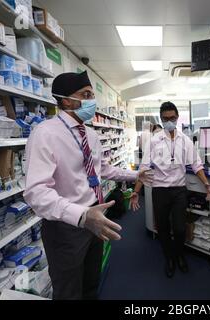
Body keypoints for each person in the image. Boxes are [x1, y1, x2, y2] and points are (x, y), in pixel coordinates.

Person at [24, 71, 153, 300]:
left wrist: (135, 175)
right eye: (86, 95)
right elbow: (36, 192)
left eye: (92, 95)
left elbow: (103, 169)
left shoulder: (91, 135)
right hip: (66, 226)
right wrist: (82, 216)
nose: (92, 102)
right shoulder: (45, 133)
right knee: (69, 292)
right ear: (65, 100)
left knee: (92, 284)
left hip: (95, 215)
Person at [130, 102, 210, 278]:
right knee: (163, 228)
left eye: (172, 118)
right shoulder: (153, 141)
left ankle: (179, 254)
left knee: (180, 228)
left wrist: (206, 184)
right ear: (161, 119)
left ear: (177, 117)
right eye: (165, 119)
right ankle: (169, 257)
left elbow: (196, 165)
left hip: (179, 190)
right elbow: (144, 168)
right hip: (159, 190)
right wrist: (136, 191)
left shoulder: (185, 140)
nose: (169, 121)